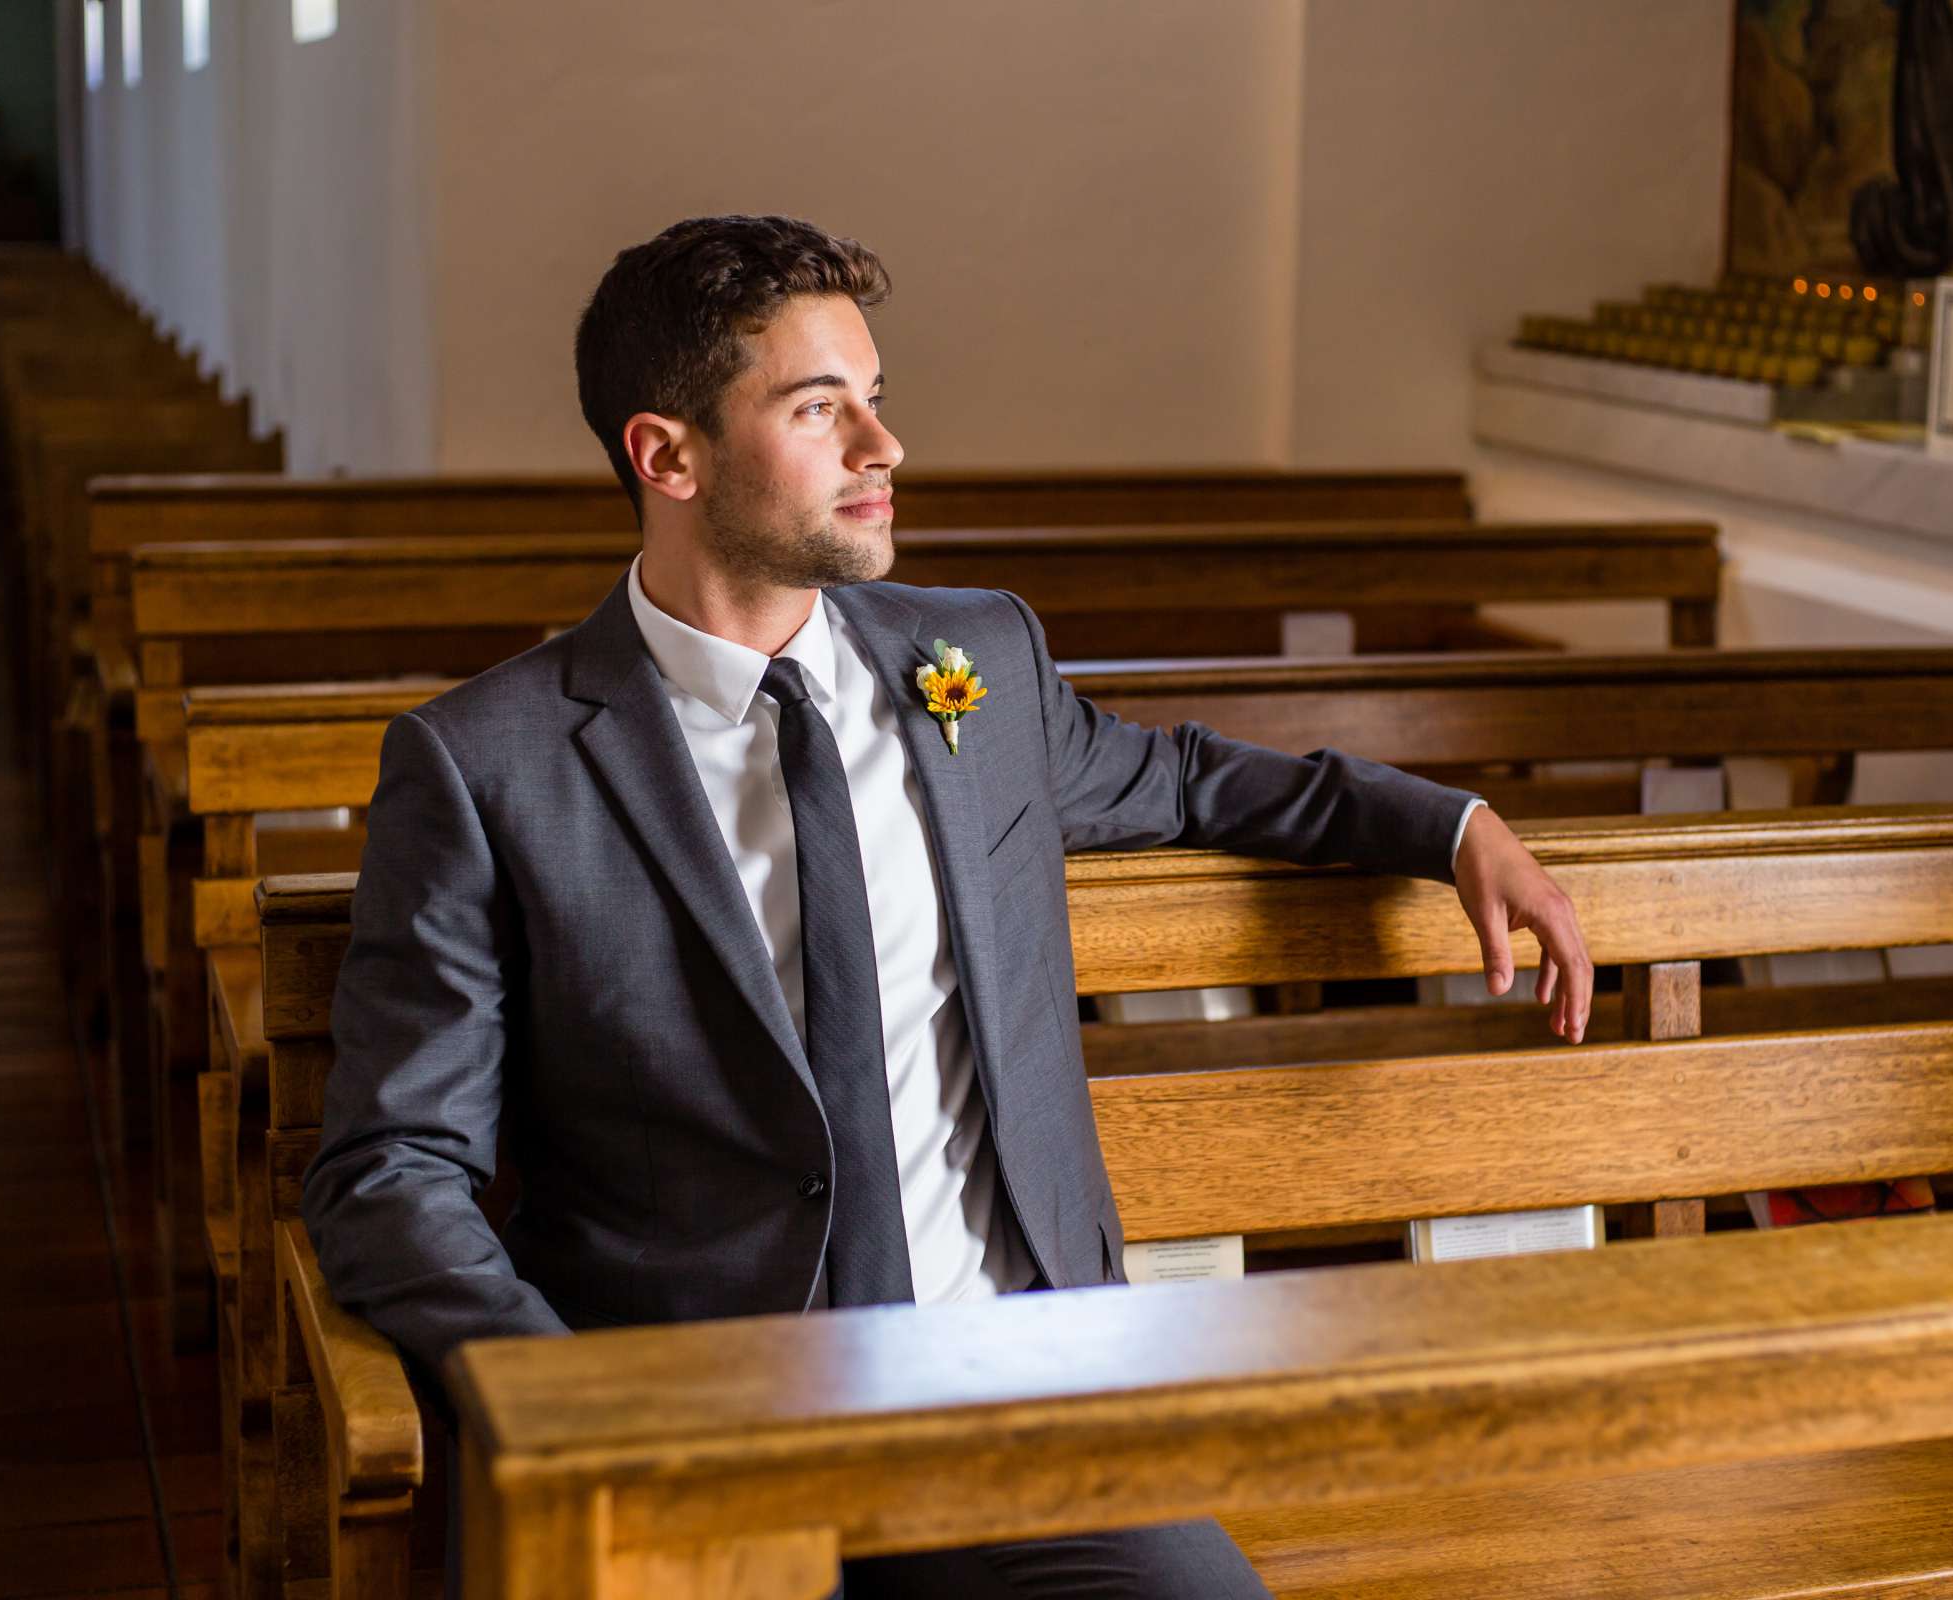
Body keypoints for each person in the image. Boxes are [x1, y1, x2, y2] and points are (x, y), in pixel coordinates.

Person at [304, 213, 1594, 1598]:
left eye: (879, 397)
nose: (883, 446)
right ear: (664, 455)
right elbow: (391, 1175)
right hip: (701, 1429)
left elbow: (1188, 782)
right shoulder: (489, 763)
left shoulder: (967, 662)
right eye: (820, 408)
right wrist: (565, 1405)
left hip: (1013, 1400)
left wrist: (1454, 827)